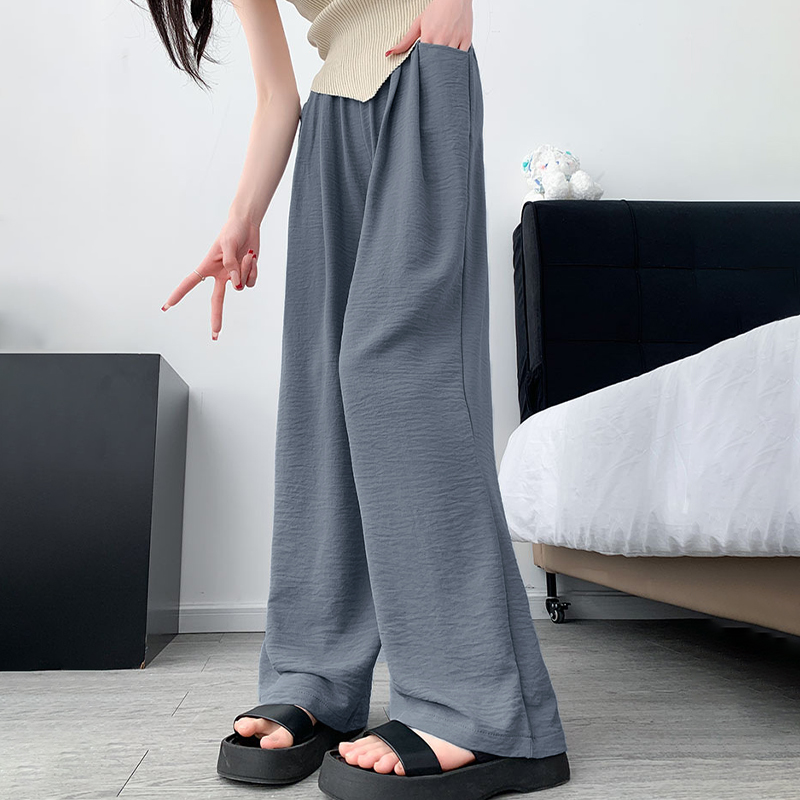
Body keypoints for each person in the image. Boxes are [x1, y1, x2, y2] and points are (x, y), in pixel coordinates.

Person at [152, 0, 570, 797]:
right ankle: (316, 674)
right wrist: (240, 219)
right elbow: (278, 93)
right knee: (321, 397)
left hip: (417, 67)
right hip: (330, 127)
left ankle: (479, 708)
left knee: (400, 376)